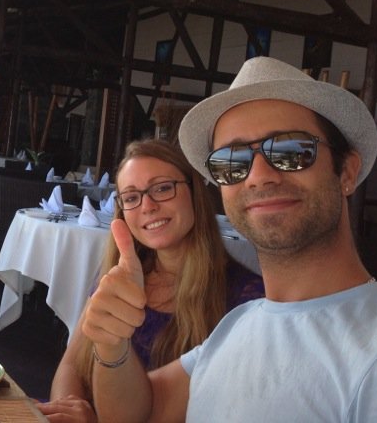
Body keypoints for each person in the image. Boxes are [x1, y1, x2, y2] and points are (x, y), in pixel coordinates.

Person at [81, 56, 377, 422]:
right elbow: (137, 414)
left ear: (346, 172)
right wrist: (112, 345)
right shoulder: (238, 323)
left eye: (291, 150)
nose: (258, 175)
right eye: (231, 162)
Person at [37, 139, 264, 422]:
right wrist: (67, 408)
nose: (147, 206)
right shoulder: (120, 277)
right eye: (132, 197)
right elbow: (71, 364)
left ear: (194, 193)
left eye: (163, 188)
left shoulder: (247, 299)